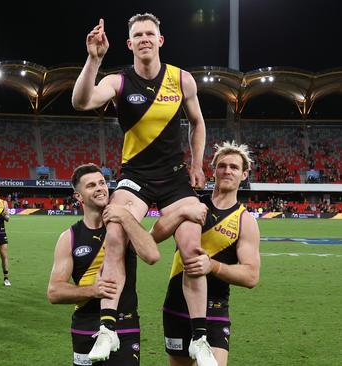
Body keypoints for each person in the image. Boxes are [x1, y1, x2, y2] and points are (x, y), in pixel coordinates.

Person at [72, 14, 210, 364]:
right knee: (115, 233)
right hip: (135, 176)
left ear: (160, 41)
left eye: (151, 33)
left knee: (193, 246)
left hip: (176, 176)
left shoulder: (182, 79)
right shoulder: (118, 81)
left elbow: (197, 122)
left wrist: (197, 164)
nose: (145, 38)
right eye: (138, 34)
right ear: (130, 43)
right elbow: (82, 102)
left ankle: (200, 338)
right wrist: (94, 59)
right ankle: (107, 330)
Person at [151, 142, 261, 366]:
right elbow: (154, 235)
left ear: (244, 174)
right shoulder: (192, 205)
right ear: (214, 171)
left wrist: (213, 266)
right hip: (177, 305)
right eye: (222, 166)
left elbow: (251, 276)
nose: (227, 171)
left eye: (234, 167)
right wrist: (181, 212)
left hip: (215, 309)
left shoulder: (245, 221)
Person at [47, 164, 159, 366]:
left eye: (102, 183)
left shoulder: (125, 228)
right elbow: (54, 292)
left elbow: (152, 255)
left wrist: (125, 216)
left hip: (124, 325)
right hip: (85, 326)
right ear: (78, 197)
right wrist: (92, 290)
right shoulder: (69, 238)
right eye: (91, 185)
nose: (100, 188)